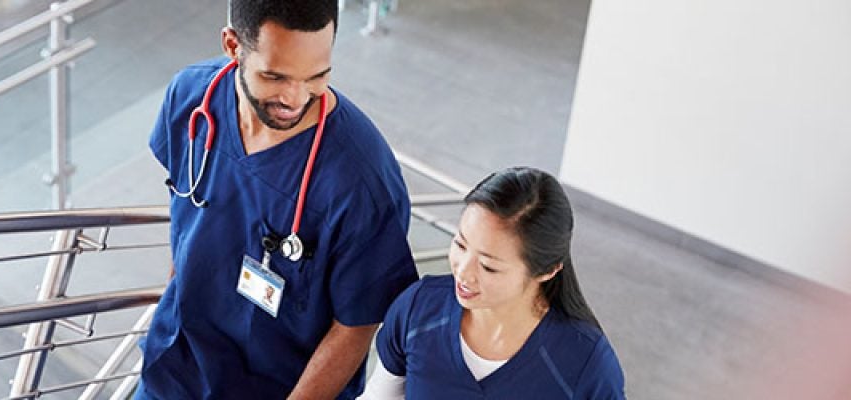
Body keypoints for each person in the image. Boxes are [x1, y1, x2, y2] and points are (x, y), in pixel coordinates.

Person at [139, 1, 418, 399]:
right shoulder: (191, 97)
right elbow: (186, 213)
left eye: (316, 77)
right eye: (275, 76)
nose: (295, 98)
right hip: (173, 372)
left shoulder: (361, 181)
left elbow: (355, 326)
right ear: (232, 45)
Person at [363, 167, 625, 399]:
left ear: (547, 271)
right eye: (460, 244)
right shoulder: (419, 309)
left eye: (488, 267)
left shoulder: (585, 365)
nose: (463, 272)